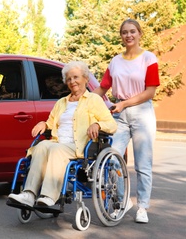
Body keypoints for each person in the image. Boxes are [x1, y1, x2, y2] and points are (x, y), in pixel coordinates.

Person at [8, 61, 117, 208]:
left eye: (76, 77)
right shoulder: (61, 102)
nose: (72, 82)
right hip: (58, 142)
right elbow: (51, 123)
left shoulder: (94, 100)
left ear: (85, 78)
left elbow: (112, 125)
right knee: (41, 146)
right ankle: (29, 194)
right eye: (69, 79)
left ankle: (49, 196)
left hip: (80, 145)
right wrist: (44, 124)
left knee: (55, 149)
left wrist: (98, 124)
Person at [93, 18, 160, 223]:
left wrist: (124, 104)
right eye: (124, 32)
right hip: (119, 115)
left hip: (142, 113)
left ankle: (142, 208)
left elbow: (150, 92)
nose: (128, 35)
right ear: (121, 36)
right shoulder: (115, 61)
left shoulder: (148, 58)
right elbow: (102, 88)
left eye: (132, 31)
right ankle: (123, 200)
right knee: (111, 160)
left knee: (142, 164)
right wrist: (83, 101)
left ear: (140, 34)